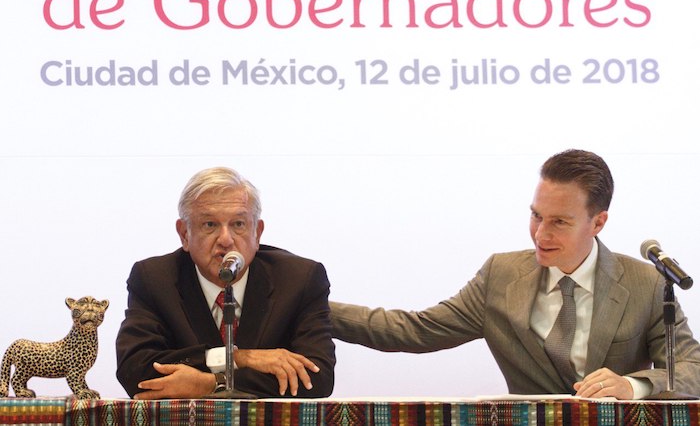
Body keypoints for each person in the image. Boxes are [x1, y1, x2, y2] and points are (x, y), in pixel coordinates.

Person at [331, 149, 700, 399]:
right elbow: (413, 330)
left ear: (598, 222)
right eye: (536, 216)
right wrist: (309, 304)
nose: (541, 234)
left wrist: (634, 386)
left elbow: (693, 368)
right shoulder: (501, 275)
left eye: (559, 222)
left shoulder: (646, 283)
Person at [116, 167, 335, 399]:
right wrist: (237, 358)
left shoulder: (299, 279)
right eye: (209, 225)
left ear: (257, 233)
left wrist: (210, 384)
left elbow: (317, 378)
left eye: (238, 224)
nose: (226, 239)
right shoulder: (155, 280)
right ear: (184, 234)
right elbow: (135, 370)